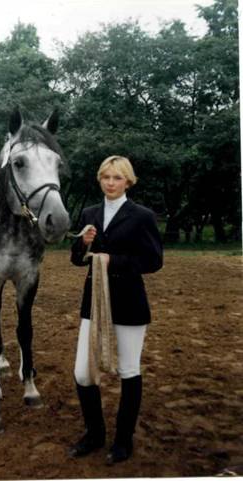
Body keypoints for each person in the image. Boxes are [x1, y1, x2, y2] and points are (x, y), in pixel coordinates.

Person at [70, 155, 163, 464]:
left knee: (128, 370)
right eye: (106, 177)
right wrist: (83, 244)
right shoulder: (89, 213)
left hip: (129, 302)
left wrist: (114, 261)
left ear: (128, 182)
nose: (110, 182)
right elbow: (75, 259)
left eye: (117, 178)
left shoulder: (142, 216)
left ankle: (123, 441)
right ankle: (94, 434)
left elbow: (153, 261)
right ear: (100, 179)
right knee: (83, 373)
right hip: (92, 303)